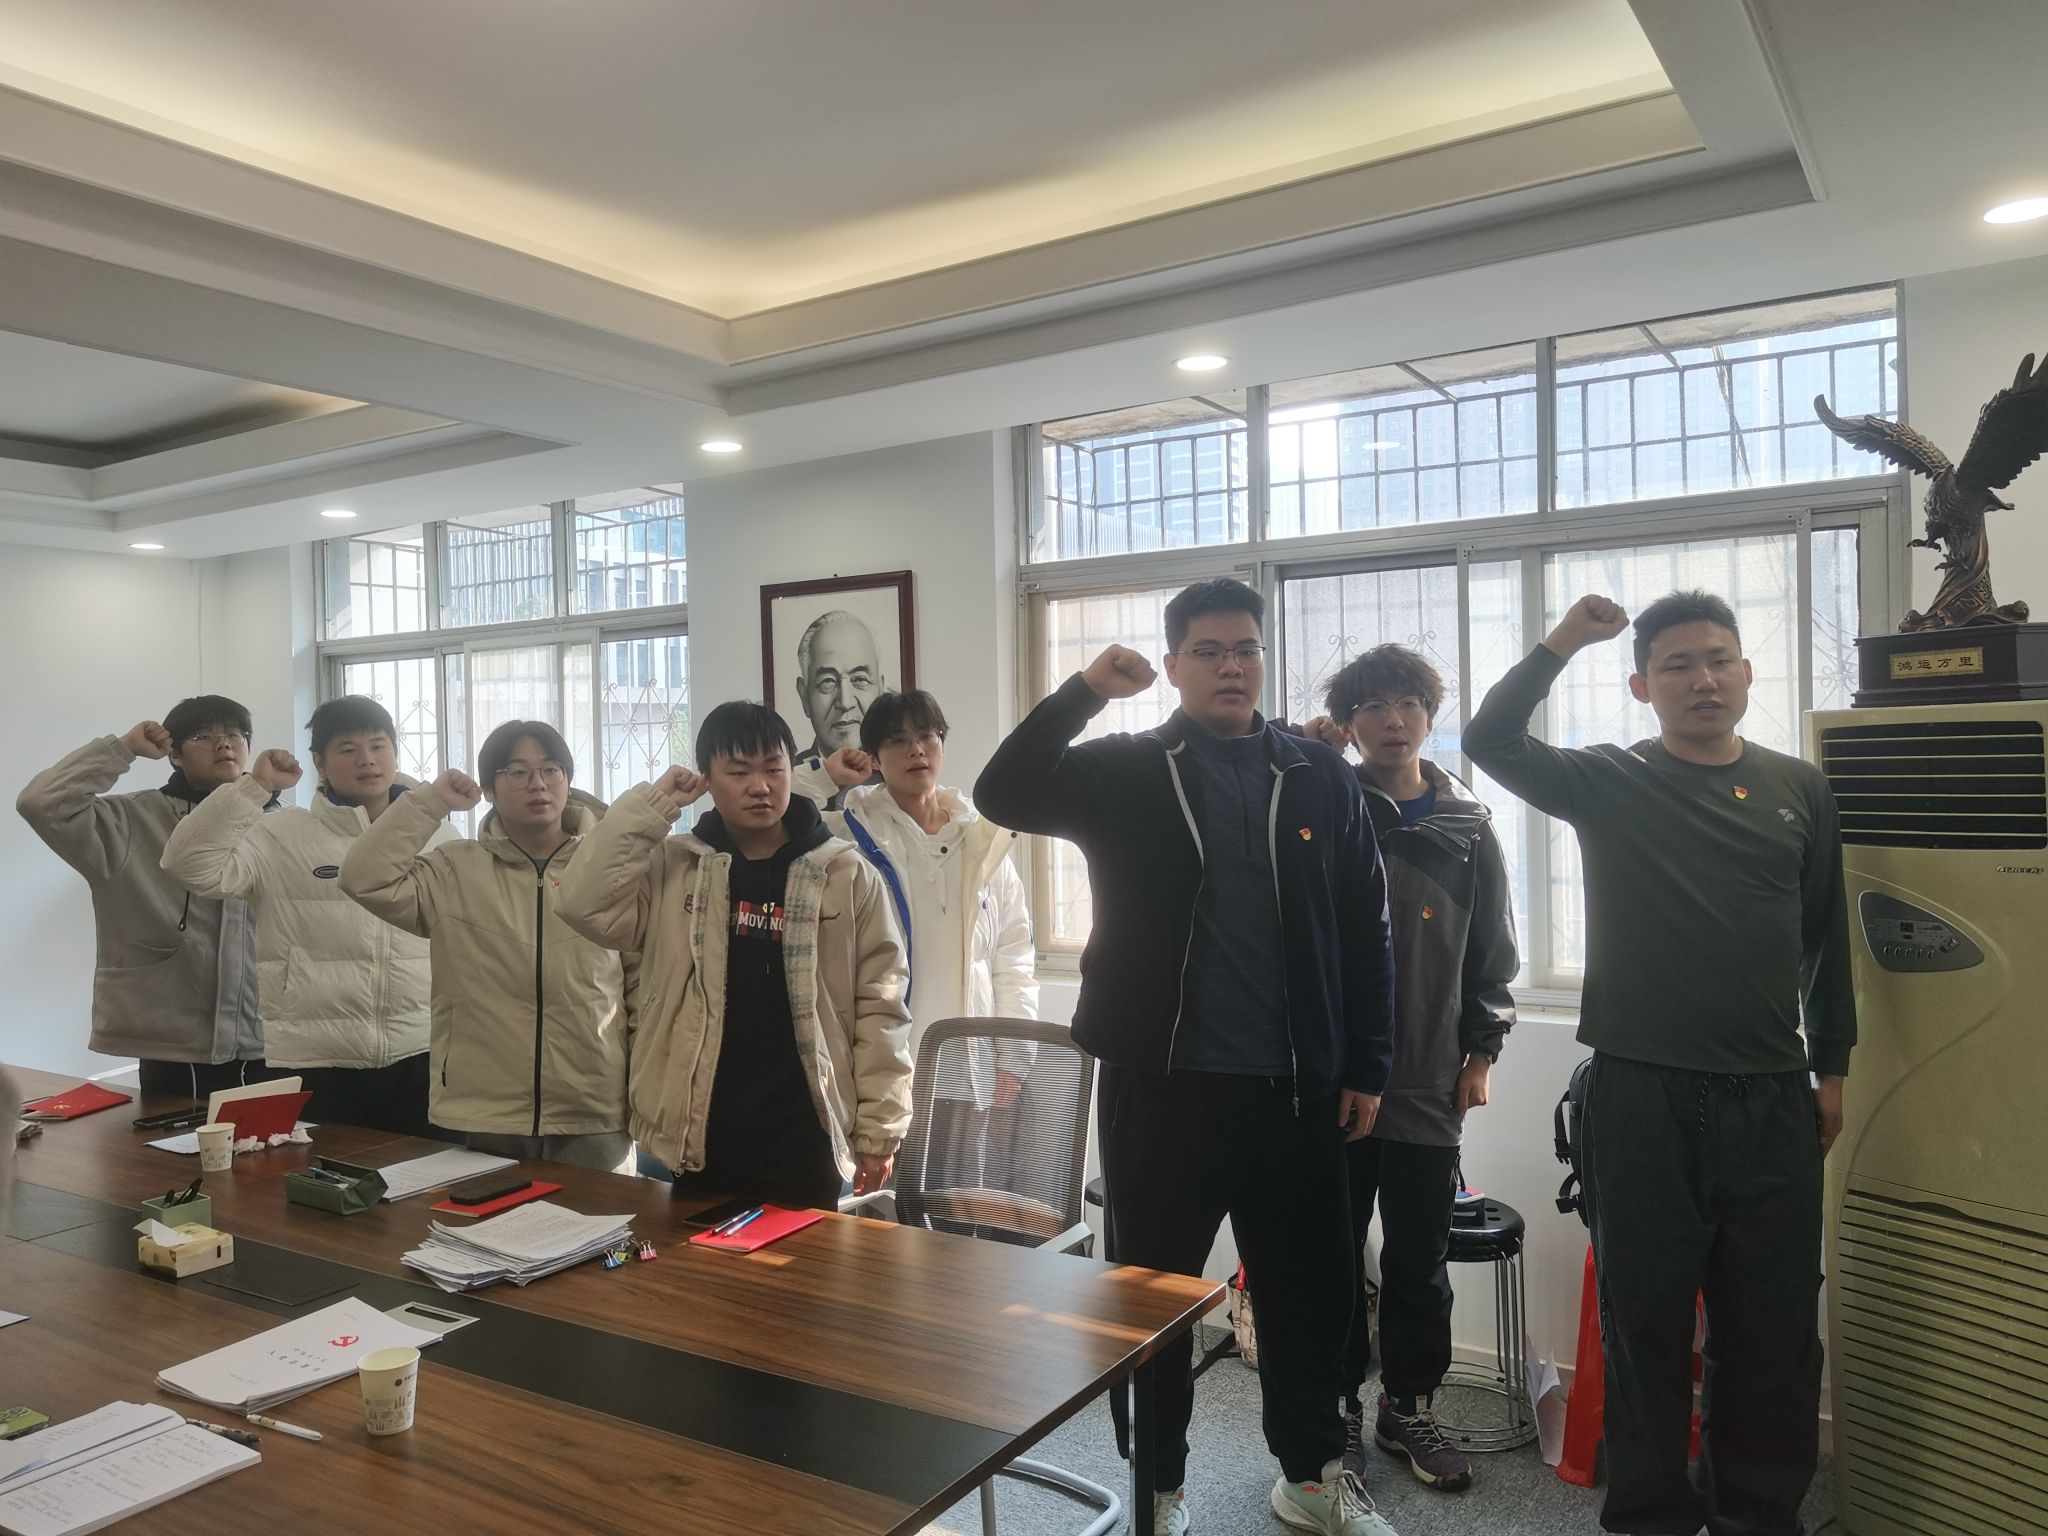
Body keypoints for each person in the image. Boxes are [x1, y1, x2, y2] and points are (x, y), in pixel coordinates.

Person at [975, 577, 1399, 1536]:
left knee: (1310, 1302)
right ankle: (1157, 1488)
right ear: (1172, 666)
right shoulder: (1127, 768)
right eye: (1208, 651)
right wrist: (1087, 689)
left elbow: (1365, 931)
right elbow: (1004, 790)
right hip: (1160, 1090)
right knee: (1149, 1304)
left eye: (1245, 648)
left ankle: (1311, 1479)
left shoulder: (1319, 775)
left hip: (1297, 1094)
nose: (1230, 666)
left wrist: (1367, 1066)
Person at [1465, 590, 1855, 1536]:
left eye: (1719, 660)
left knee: (1771, 1333)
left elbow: (1824, 941)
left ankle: (1756, 1516)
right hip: (1639, 1098)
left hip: (1772, 1099)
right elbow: (1490, 739)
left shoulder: (1799, 788)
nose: (1702, 679)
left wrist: (1831, 1069)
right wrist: (1563, 640)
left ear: (1747, 674)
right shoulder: (1611, 778)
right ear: (1642, 686)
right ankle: (1649, 1518)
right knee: (1643, 1328)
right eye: (1677, 665)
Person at [1295, 646, 1518, 1494]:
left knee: (1419, 1259)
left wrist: (1482, 1052)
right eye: (1374, 707)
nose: (1394, 721)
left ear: (1430, 715)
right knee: (1331, 1257)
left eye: (1410, 705)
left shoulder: (1468, 826)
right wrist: (1304, 745)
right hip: (1335, 1076)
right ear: (1348, 723)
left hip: (1430, 1076)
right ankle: (1339, 1414)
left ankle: (1407, 1407)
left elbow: (1493, 951)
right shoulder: (1326, 803)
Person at [557, 701, 912, 1211]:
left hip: (809, 1129)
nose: (759, 786)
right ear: (707, 778)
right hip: (699, 1127)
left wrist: (881, 1127)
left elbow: (881, 1005)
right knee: (693, 1259)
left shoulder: (845, 873)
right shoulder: (673, 866)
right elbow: (581, 904)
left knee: (803, 1260)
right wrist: (653, 806)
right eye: (739, 772)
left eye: (773, 768)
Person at [339, 721, 632, 1170]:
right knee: (487, 1216)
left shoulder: (607, 868)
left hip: (592, 1105)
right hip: (486, 1109)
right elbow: (362, 877)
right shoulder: (453, 869)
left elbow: (641, 985)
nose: (538, 784)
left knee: (594, 1216)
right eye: (517, 772)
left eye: (550, 769)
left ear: (568, 780)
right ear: (490, 790)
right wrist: (430, 802)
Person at [161, 696, 443, 1137]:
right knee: (320, 1175)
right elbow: (187, 865)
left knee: (430, 1173)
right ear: (319, 763)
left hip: (422, 1050)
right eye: (348, 749)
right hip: (316, 1059)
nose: (367, 760)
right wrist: (255, 788)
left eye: (378, 745)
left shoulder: (436, 832)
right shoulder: (280, 833)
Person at [807, 689, 1037, 1186]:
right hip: (882, 1072)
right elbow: (774, 816)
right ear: (874, 758)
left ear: (942, 746)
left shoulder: (982, 840)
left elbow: (1013, 956)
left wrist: (1014, 1057)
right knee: (876, 1215)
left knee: (953, 1211)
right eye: (897, 740)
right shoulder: (847, 835)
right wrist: (825, 777)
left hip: (966, 1071)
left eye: (927, 736)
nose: (916, 750)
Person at [17, 699, 272, 1100]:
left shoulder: (277, 823)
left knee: (278, 1140)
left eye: (235, 734)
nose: (224, 744)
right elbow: (41, 802)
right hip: (170, 1039)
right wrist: (123, 748)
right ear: (174, 755)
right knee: (173, 1140)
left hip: (267, 1034)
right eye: (204, 736)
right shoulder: (130, 820)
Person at [790, 610, 885, 809]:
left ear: (880, 689)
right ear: (804, 695)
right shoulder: (785, 780)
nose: (845, 702)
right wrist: (824, 775)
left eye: (860, 679)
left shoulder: (900, 776)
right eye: (828, 682)